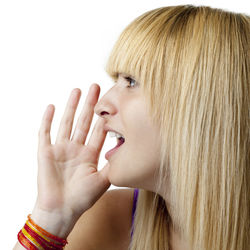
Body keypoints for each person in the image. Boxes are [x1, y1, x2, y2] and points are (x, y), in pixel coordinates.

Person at [13, 5, 249, 250]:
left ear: (201, 104)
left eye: (132, 81)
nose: (101, 105)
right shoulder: (110, 219)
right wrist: (51, 219)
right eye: (118, 81)